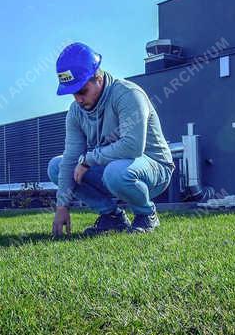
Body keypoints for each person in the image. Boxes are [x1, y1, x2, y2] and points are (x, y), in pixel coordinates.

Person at [48, 42, 174, 236]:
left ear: (97, 78)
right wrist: (62, 206)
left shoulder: (128, 95)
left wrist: (88, 160)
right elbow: (71, 157)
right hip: (113, 168)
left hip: (154, 169)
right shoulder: (75, 112)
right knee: (56, 166)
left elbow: (132, 148)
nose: (78, 99)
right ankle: (112, 217)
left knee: (116, 172)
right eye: (73, 93)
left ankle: (146, 215)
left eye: (82, 91)